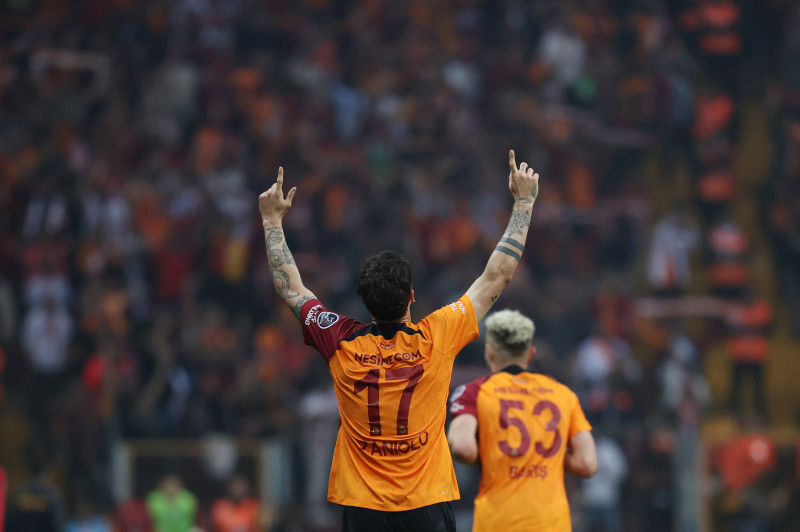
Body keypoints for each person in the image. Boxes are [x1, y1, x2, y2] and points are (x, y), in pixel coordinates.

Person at [258, 150, 539, 531]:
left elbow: (290, 287)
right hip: (426, 506)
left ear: (364, 300)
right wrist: (524, 202)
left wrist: (271, 221)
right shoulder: (438, 334)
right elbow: (497, 275)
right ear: (411, 296)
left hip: (364, 509)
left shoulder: (339, 340)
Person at [447, 309, 597, 531]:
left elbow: (463, 448)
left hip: (499, 522)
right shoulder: (563, 394)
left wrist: (499, 450)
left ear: (490, 352)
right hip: (552, 523)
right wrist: (539, 455)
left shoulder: (473, 392)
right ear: (531, 353)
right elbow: (587, 463)